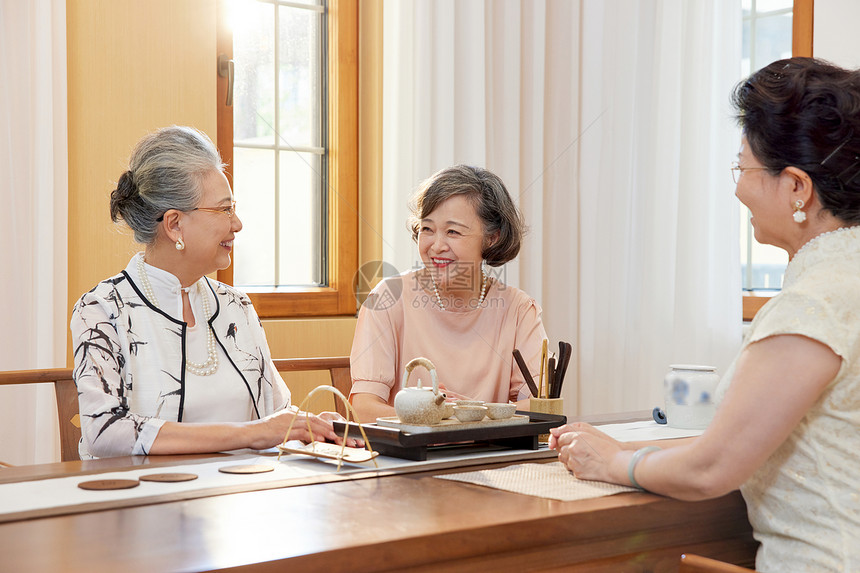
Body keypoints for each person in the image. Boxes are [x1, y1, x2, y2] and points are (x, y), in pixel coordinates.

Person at [550, 57, 860, 572]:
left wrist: (611, 461)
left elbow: (712, 469)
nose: (738, 188)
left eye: (745, 168)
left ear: (798, 188)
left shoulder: (813, 303)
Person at [71, 126, 352, 458]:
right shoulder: (102, 309)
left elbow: (277, 418)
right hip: (149, 501)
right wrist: (253, 433)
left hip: (240, 500)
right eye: (224, 209)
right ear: (174, 224)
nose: (237, 223)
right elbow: (106, 433)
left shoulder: (236, 306)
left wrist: (309, 428)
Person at [349, 164, 547, 423]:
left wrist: (463, 413)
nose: (436, 246)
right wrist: (431, 414)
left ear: (492, 238)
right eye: (427, 229)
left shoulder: (519, 310)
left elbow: (541, 404)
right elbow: (362, 409)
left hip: (489, 455)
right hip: (412, 458)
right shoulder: (388, 299)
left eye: (453, 231)